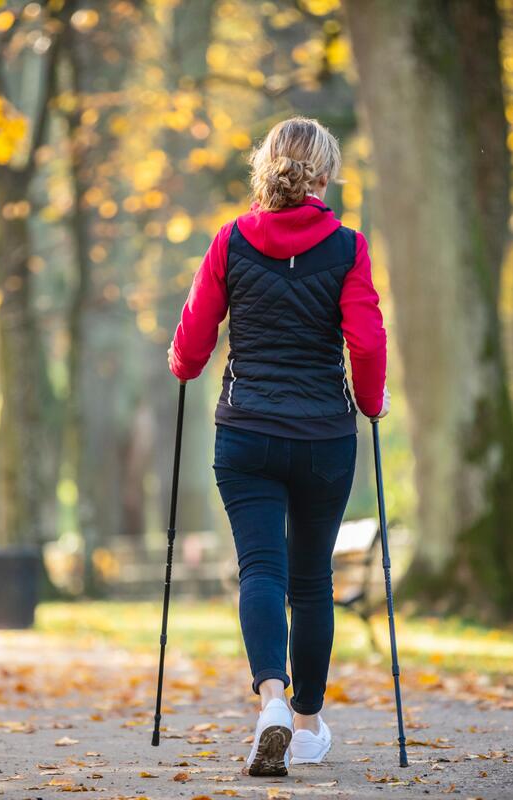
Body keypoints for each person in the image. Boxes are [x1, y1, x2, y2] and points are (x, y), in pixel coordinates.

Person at [167, 116, 389, 776]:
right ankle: (308, 722)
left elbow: (193, 340)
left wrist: (182, 364)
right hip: (323, 437)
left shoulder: (230, 241)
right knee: (311, 580)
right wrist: (371, 403)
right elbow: (368, 343)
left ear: (266, 168)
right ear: (326, 174)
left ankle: (270, 699)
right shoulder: (348, 246)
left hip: (246, 435)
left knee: (260, 569)